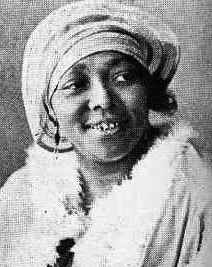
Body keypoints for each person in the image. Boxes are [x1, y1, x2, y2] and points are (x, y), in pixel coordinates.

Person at [0, 0, 212, 266]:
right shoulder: (18, 196)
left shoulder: (199, 195)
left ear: (149, 92)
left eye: (122, 78)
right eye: (75, 84)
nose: (103, 100)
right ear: (51, 109)